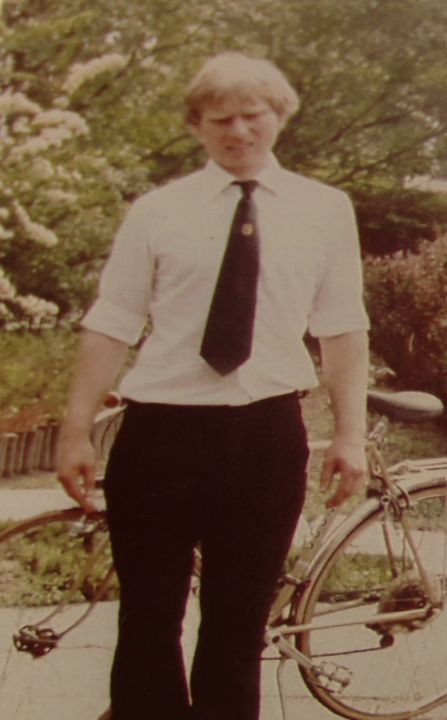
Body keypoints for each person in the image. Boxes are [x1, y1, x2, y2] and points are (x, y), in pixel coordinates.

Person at [54, 52, 369, 720]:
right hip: (161, 434)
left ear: (279, 116)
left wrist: (349, 435)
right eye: (219, 119)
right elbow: (111, 322)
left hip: (265, 436)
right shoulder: (158, 211)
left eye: (252, 116)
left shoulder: (325, 210)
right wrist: (76, 429)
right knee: (147, 620)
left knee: (235, 629)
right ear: (196, 126)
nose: (238, 132)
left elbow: (342, 327)